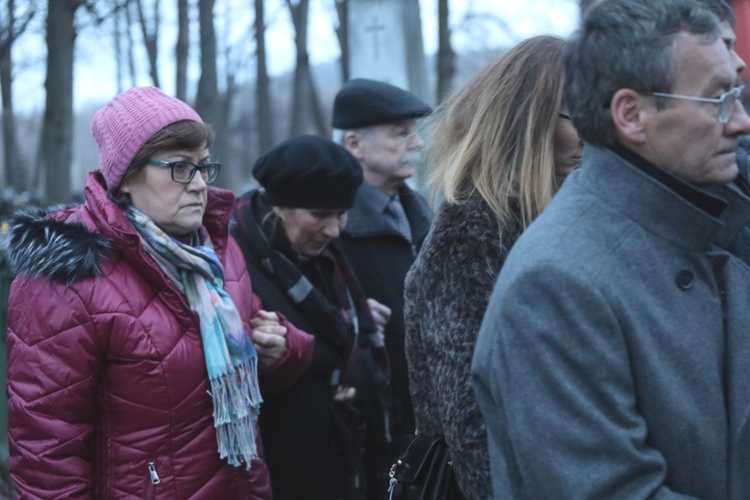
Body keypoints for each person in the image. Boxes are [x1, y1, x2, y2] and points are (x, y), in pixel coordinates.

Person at [471, 0, 750, 498]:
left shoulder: (717, 228)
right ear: (631, 114)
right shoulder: (556, 283)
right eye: (717, 101)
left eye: (737, 95)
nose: (741, 122)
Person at [4, 86, 312, 498]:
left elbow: (257, 343)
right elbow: (47, 447)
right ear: (127, 176)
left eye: (204, 167)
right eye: (181, 167)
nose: (200, 184)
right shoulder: (68, 278)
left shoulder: (215, 250)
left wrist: (283, 348)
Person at [403, 34, 581, 500]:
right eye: (574, 113)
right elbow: (469, 419)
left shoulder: (558, 218)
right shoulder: (472, 233)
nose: (591, 131)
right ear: (528, 123)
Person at [231, 134, 390, 500]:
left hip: (342, 467)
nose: (334, 230)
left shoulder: (328, 260)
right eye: (320, 215)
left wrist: (357, 377)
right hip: (276, 472)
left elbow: (350, 340)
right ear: (279, 207)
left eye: (341, 214)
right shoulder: (233, 266)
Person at [332, 79, 432, 495]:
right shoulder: (331, 226)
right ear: (355, 144)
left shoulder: (421, 213)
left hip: (428, 427)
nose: (416, 144)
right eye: (400, 133)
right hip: (369, 433)